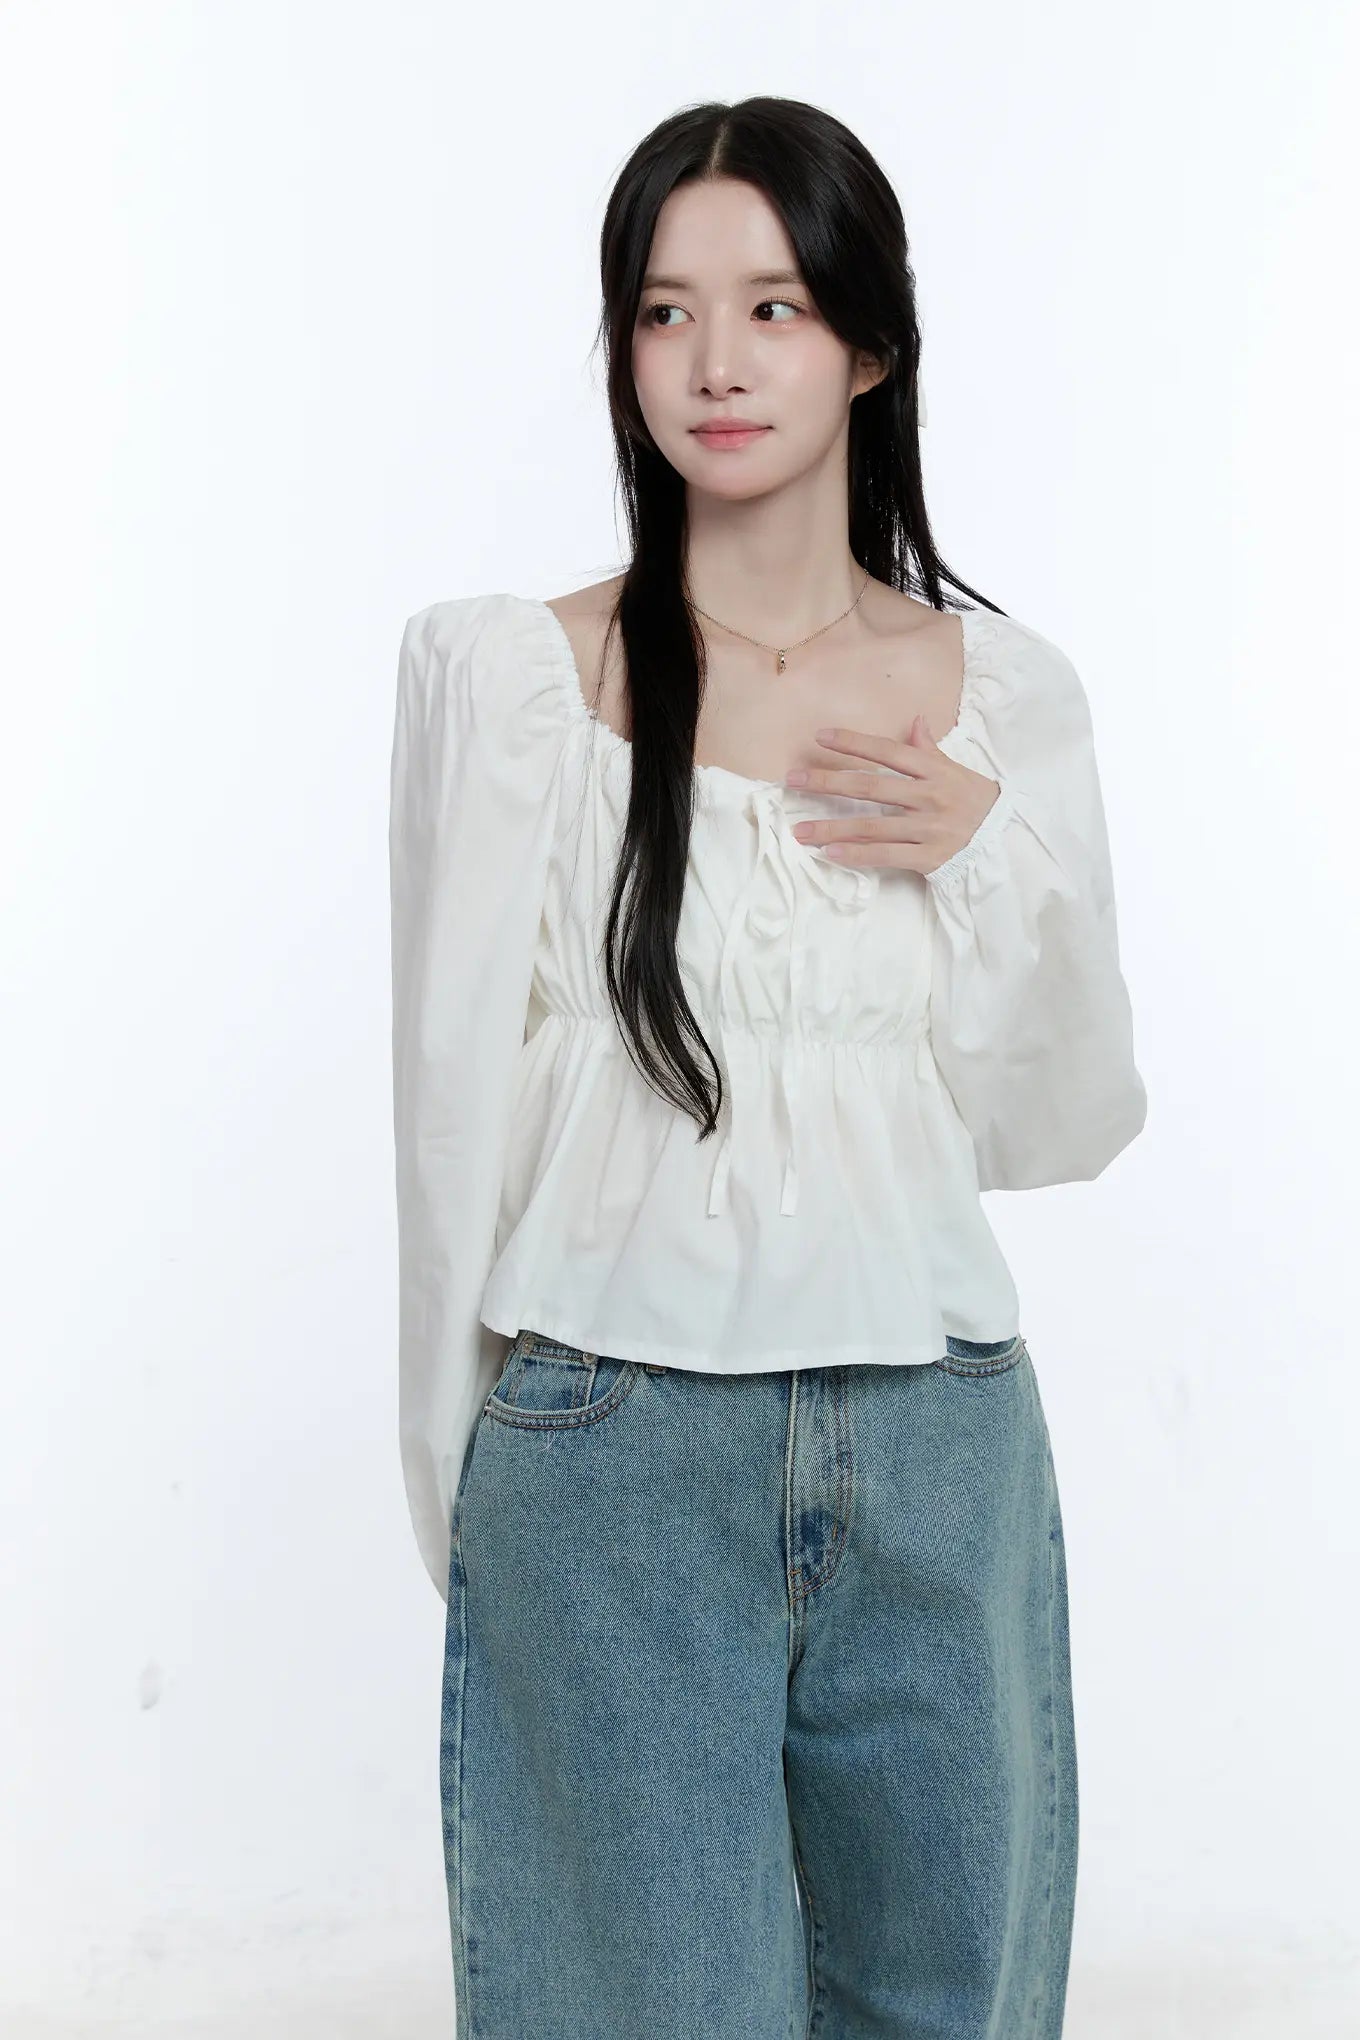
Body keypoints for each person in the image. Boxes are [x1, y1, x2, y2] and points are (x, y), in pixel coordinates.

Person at [388, 94, 1147, 2040]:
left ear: (870, 343)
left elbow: (1065, 1121)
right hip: (608, 1442)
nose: (713, 362)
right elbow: (448, 1124)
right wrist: (466, 1481)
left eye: (773, 307)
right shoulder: (514, 688)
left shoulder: (1002, 699)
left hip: (940, 1433)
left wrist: (985, 850)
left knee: (954, 2003)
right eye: (664, 310)